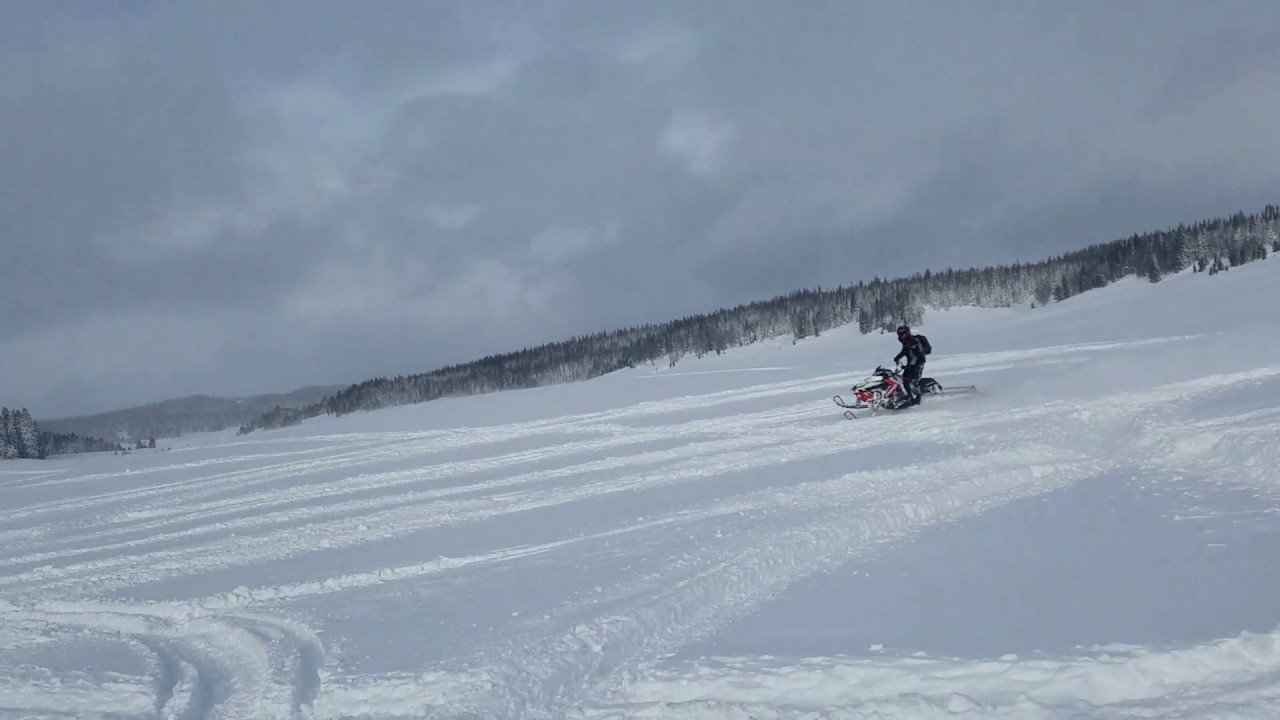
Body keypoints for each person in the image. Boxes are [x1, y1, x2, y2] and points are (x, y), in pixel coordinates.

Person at [893, 324, 928, 406]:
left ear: (907, 333)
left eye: (902, 333)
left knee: (913, 380)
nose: (901, 335)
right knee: (904, 379)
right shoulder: (906, 342)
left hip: (919, 362)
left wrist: (910, 365)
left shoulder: (913, 341)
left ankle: (917, 399)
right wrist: (897, 357)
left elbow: (917, 355)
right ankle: (908, 396)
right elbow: (905, 351)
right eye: (899, 334)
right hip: (911, 363)